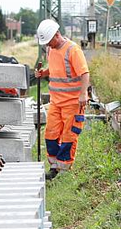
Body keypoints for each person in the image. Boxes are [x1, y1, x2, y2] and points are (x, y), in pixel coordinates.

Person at [35, 19, 90, 180]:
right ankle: (54, 167)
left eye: (49, 41)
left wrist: (83, 94)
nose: (48, 45)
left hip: (72, 103)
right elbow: (55, 69)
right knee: (50, 134)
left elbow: (84, 73)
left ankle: (64, 170)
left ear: (57, 35)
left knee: (68, 136)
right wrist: (43, 73)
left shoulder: (73, 50)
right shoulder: (51, 49)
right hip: (56, 102)